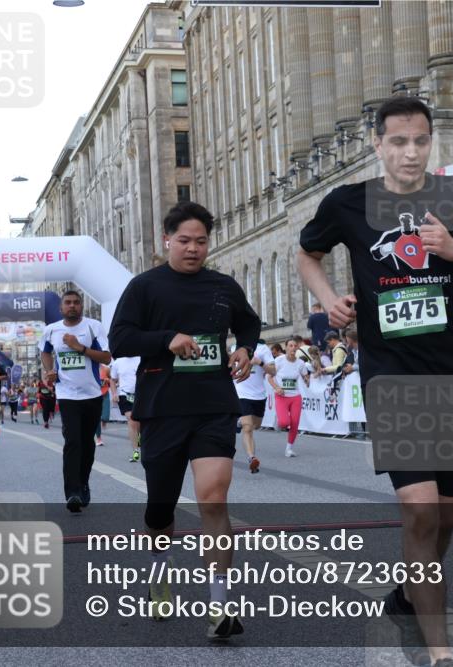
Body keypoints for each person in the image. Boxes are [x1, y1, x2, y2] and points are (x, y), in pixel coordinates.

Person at [298, 96, 453, 667]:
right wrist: (329, 303)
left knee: (447, 513)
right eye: (398, 141)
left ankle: (407, 592)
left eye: (420, 140)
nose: (411, 152)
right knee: (420, 513)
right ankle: (441, 652)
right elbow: (307, 254)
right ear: (377, 144)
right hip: (391, 375)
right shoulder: (349, 204)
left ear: (431, 142)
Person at [109, 200, 260, 641]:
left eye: (201, 241)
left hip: (214, 404)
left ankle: (220, 606)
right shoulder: (145, 287)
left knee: (213, 498)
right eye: (185, 241)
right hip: (162, 407)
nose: (193, 249)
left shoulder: (223, 286)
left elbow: (249, 324)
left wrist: (245, 349)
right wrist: (167, 340)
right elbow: (120, 340)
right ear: (167, 241)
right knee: (160, 509)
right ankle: (160, 568)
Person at [39, 289, 112, 513]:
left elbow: (107, 357)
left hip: (92, 394)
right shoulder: (51, 330)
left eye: (76, 303)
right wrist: (50, 371)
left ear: (81, 306)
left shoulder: (93, 326)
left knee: (88, 444)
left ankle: (83, 482)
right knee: (72, 442)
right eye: (68, 303)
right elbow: (45, 352)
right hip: (67, 394)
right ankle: (72, 493)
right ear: (61, 308)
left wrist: (78, 347)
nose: (72, 306)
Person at [234, 340, 275, 473]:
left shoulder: (263, 349)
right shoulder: (235, 347)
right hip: (241, 393)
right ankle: (252, 458)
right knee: (248, 427)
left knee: (256, 425)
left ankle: (239, 421)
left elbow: (273, 371)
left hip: (258, 395)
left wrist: (260, 363)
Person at [267, 337, 310, 458]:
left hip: (295, 397)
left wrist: (307, 380)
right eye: (290, 346)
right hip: (281, 396)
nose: (293, 348)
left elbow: (306, 377)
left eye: (295, 346)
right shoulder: (279, 361)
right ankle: (279, 420)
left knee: (295, 423)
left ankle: (289, 449)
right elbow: (269, 377)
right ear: (286, 348)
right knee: (285, 422)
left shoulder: (301, 363)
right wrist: (276, 388)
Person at [109, 355, 142, 462]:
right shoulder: (118, 362)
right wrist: (114, 393)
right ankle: (136, 451)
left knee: (140, 423)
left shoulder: (142, 359)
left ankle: (141, 441)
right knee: (132, 420)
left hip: (142, 395)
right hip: (125, 395)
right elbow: (112, 380)